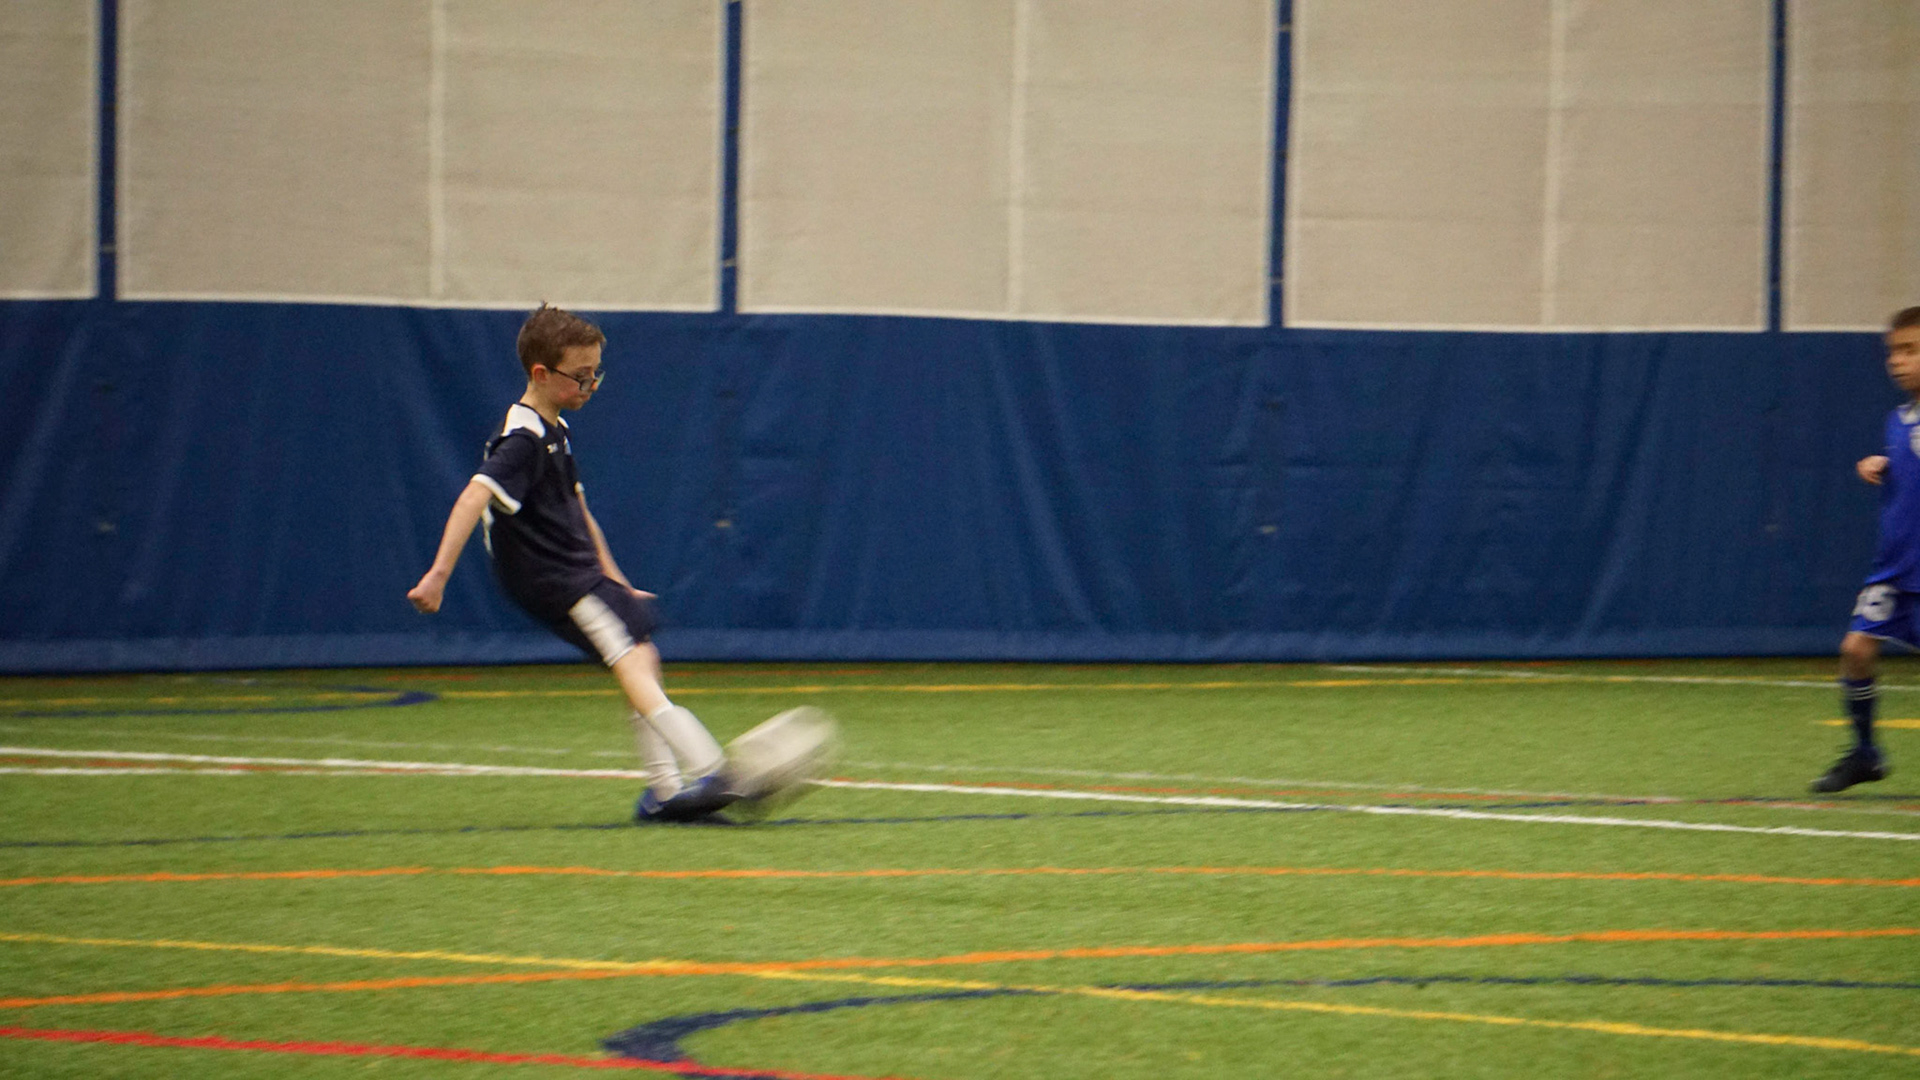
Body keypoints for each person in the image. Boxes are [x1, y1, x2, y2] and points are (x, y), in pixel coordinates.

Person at [408, 304, 735, 822]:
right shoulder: (522, 439)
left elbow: (580, 513)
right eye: (581, 376)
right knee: (631, 658)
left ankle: (665, 793)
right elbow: (474, 496)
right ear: (541, 373)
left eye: (596, 374)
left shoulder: (555, 429)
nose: (591, 386)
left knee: (642, 654)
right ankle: (711, 767)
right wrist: (439, 575)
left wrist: (618, 583)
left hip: (575, 571)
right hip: (550, 578)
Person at [1817, 305, 1920, 793]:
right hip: (1895, 568)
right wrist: (1880, 465)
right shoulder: (1897, 420)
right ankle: (1865, 754)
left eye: (1910, 350)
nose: (1897, 361)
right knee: (1856, 650)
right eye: (1893, 352)